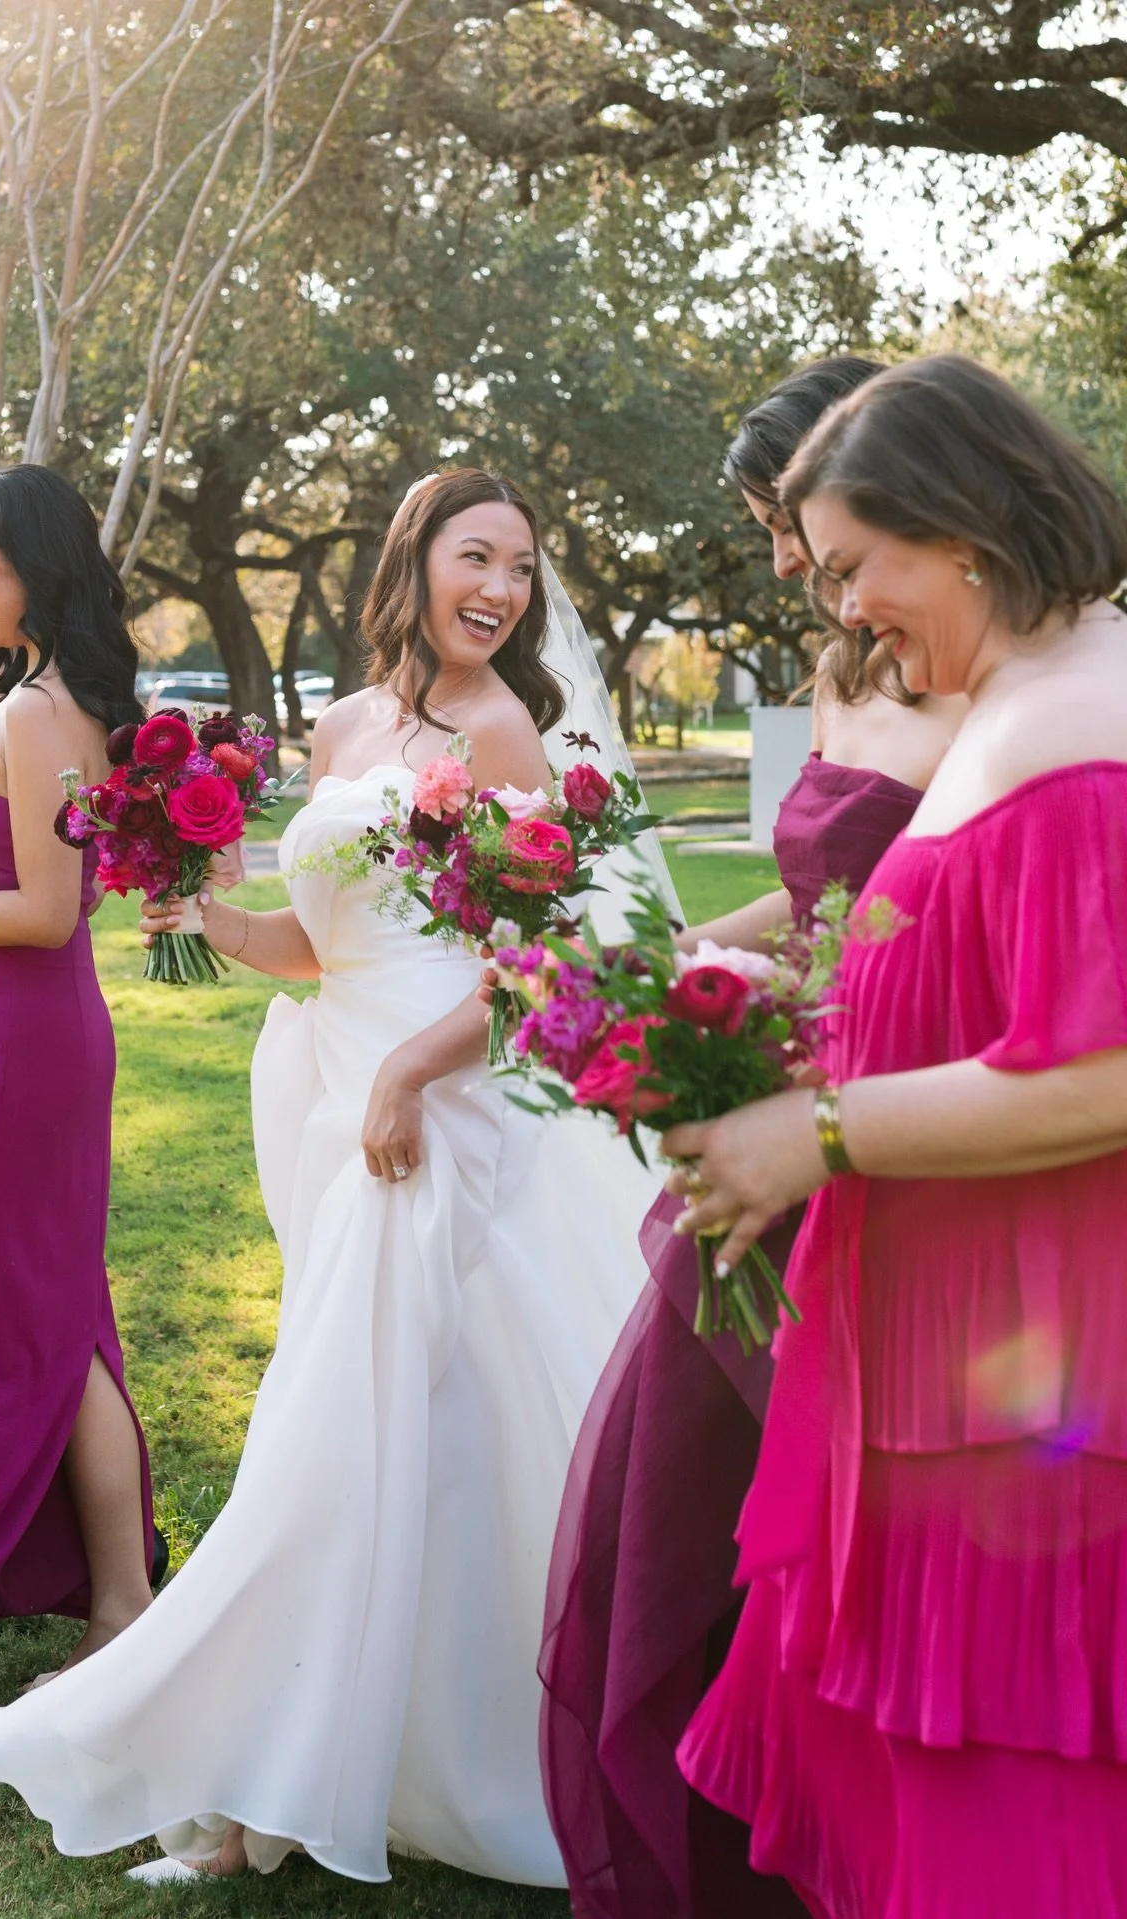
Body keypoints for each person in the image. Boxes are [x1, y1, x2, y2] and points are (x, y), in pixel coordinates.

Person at [0, 468, 667, 1887]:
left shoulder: (506, 729)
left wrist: (410, 1070)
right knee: (381, 1429)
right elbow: (320, 940)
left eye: (523, 569)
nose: (504, 590)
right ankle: (309, 1768)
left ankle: (261, 1807)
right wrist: (202, 906)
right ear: (414, 560)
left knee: (340, 1431)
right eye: (480, 557)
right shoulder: (345, 722)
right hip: (343, 1091)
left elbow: (533, 967)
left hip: (442, 1112)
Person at [670, 355, 1127, 1916]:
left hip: (1034, 1394)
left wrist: (818, 1133)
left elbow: (1106, 1071)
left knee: (1017, 1829)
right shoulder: (1014, 705)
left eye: (860, 564)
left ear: (971, 530)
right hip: (948, 1371)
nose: (843, 604)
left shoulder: (1082, 731)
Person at [537, 358, 966, 1918]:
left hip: (892, 1128)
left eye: (792, 521)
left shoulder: (979, 671)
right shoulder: (848, 672)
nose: (789, 559)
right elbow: (822, 904)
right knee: (675, 1518)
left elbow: (922, 927)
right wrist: (641, 972)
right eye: (778, 532)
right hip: (770, 1124)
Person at [0, 465, 157, 1689]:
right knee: (57, 1304)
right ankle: (116, 1593)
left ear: (31, 568)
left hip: (24, 1037)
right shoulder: (28, 692)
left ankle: (99, 1594)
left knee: (26, 1303)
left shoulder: (36, 713)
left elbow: (48, 906)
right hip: (24, 1033)